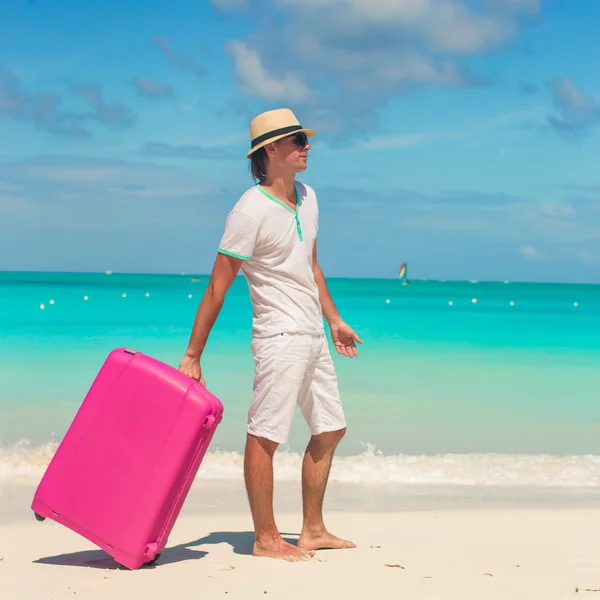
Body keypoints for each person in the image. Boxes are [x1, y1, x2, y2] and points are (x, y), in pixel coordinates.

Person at [178, 108, 362, 562]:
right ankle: (265, 538)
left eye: (305, 139)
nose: (307, 147)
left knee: (331, 428)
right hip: (278, 335)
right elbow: (218, 285)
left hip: (314, 334)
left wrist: (334, 319)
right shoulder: (248, 210)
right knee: (265, 436)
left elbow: (310, 265)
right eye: (298, 140)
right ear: (272, 150)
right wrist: (192, 354)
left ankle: (313, 529)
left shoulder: (309, 197)